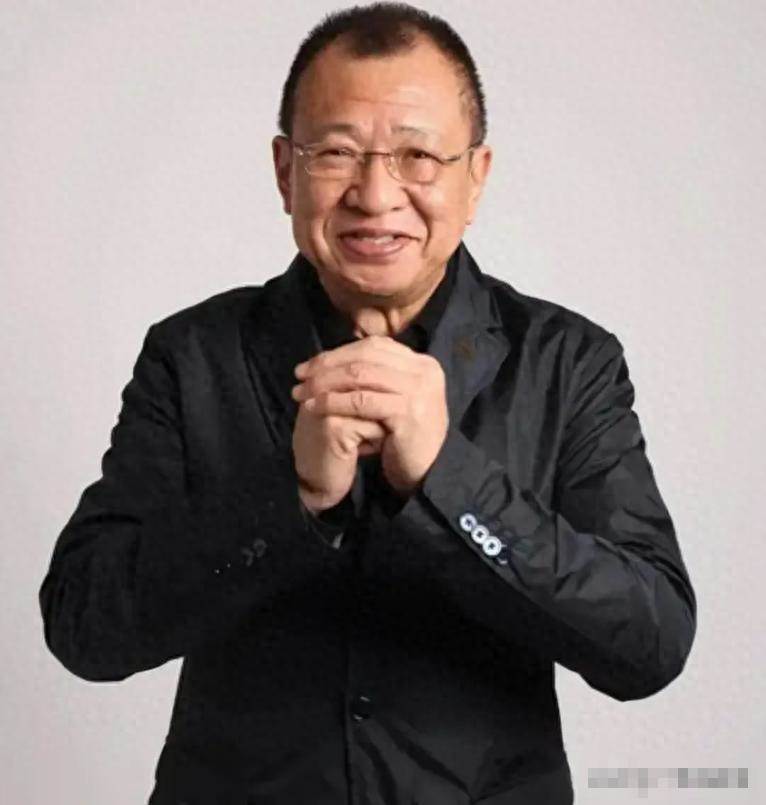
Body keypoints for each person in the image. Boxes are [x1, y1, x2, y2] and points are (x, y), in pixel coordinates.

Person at [39, 3, 697, 804]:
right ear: (285, 171)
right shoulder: (192, 356)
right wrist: (291, 497)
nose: (376, 193)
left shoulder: (568, 362)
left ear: (475, 176)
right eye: (336, 152)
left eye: (418, 155)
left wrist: (449, 480)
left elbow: (650, 641)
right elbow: (84, 625)